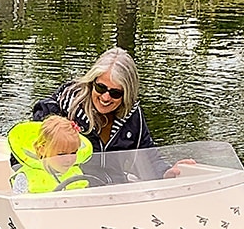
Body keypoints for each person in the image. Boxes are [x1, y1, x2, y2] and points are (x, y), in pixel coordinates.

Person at [30, 47, 195, 180]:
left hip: (115, 192)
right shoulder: (65, 103)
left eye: (115, 93)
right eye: (101, 87)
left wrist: (168, 172)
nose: (105, 97)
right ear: (92, 82)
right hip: (72, 191)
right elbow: (31, 146)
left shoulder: (133, 115)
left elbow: (147, 156)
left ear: (127, 94)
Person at [8, 116, 93, 194]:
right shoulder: (26, 177)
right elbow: (17, 205)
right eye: (61, 154)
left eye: (73, 153)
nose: (68, 159)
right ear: (42, 150)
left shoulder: (76, 173)